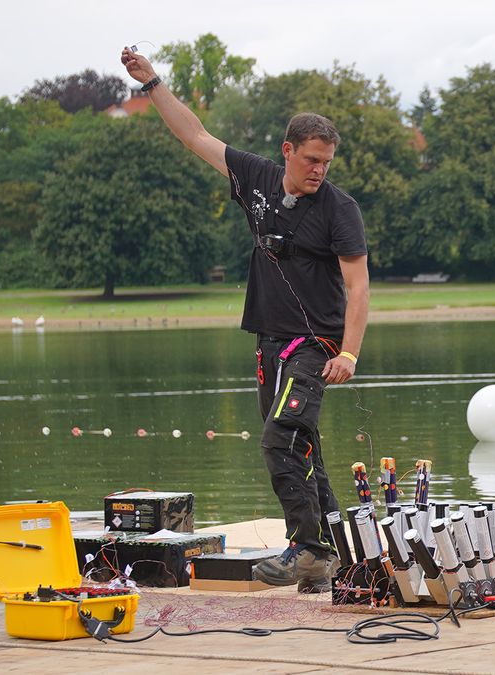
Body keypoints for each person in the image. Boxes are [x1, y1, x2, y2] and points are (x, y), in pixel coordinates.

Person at [121, 47, 369, 593]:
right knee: (302, 445)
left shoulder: (339, 208)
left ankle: (305, 549)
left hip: (316, 346)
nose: (318, 171)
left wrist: (348, 353)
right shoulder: (255, 178)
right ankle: (329, 554)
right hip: (268, 343)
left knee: (280, 438)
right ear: (287, 151)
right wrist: (152, 82)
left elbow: (357, 286)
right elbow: (195, 136)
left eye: (326, 162)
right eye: (310, 160)